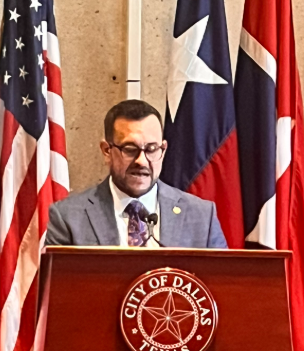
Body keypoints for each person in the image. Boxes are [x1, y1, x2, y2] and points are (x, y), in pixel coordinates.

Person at [46, 99, 228, 249]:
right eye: (130, 149)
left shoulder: (202, 217)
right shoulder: (68, 218)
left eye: (151, 149)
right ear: (107, 151)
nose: (141, 161)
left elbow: (221, 280)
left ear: (163, 150)